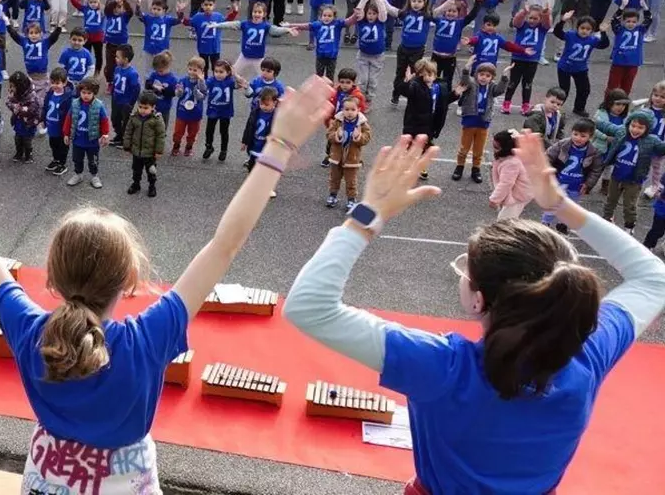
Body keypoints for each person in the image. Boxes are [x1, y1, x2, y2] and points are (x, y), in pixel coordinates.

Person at [0, 74, 334, 493]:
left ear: (52, 278)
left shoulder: (32, 332)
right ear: (130, 279)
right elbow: (224, 245)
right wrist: (279, 145)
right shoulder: (146, 340)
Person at [285, 132, 665, 495]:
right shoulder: (587, 357)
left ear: (479, 300)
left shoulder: (444, 367)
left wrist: (367, 215)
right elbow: (653, 278)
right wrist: (560, 204)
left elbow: (309, 307)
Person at [544, 119, 602, 233]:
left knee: (570, 208)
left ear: (590, 137)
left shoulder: (594, 152)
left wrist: (588, 184)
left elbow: (596, 170)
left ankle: (562, 225)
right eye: (575, 134)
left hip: (576, 186)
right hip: (559, 182)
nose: (578, 138)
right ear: (571, 132)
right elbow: (548, 156)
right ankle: (546, 223)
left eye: (583, 136)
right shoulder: (562, 145)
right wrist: (548, 174)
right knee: (553, 204)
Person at [325, 96, 371, 210]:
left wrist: (358, 137)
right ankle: (332, 195)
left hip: (352, 158)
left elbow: (367, 138)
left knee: (351, 180)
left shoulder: (362, 124)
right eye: (346, 109)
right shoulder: (337, 121)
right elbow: (329, 135)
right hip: (337, 156)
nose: (349, 112)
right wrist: (337, 135)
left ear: (358, 110)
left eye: (353, 109)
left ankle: (351, 199)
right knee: (334, 178)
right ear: (342, 109)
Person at [122, 91, 166, 197]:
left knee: (151, 171)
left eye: (146, 108)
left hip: (150, 153)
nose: (142, 110)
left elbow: (161, 136)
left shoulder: (157, 119)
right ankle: (136, 184)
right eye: (140, 107)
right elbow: (128, 131)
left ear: (153, 107)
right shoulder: (134, 117)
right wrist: (127, 146)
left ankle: (152, 186)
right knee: (136, 170)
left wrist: (159, 151)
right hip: (136, 151)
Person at [489, 129, 533, 219]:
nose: (494, 149)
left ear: (505, 148)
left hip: (518, 196)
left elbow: (506, 183)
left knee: (504, 221)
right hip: (519, 192)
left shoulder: (511, 163)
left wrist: (494, 199)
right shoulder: (510, 157)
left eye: (496, 147)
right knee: (508, 218)